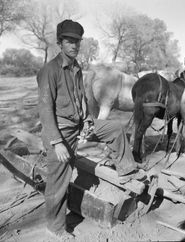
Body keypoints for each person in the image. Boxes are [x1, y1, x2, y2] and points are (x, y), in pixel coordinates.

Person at [36, 19, 146, 239]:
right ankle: (55, 227)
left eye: (77, 41)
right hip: (61, 132)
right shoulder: (49, 71)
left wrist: (87, 121)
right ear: (60, 43)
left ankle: (126, 171)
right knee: (58, 182)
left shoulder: (77, 68)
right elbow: (45, 109)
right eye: (69, 41)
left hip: (79, 126)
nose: (74, 45)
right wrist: (57, 142)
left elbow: (82, 100)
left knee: (114, 128)